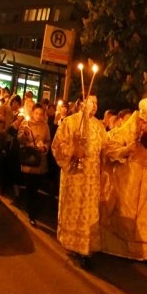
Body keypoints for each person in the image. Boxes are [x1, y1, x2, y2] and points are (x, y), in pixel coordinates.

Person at [101, 97, 147, 261]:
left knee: (143, 217)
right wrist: (127, 150)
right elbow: (109, 149)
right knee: (124, 214)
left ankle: (141, 252)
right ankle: (119, 250)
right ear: (141, 120)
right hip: (127, 180)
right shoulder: (127, 131)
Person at [51, 96, 106, 268]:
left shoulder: (99, 125)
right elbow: (57, 145)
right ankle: (74, 245)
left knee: (90, 213)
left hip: (92, 179)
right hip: (75, 176)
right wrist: (74, 151)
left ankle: (86, 248)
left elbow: (107, 147)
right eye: (91, 102)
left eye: (96, 102)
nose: (95, 105)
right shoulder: (70, 122)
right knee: (75, 210)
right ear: (82, 103)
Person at [17, 104, 51, 227]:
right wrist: (25, 134)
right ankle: (31, 214)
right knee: (30, 189)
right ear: (32, 113)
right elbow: (19, 139)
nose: (38, 116)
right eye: (36, 113)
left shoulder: (45, 125)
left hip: (40, 162)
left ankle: (33, 210)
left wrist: (44, 147)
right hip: (29, 162)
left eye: (41, 114)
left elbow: (48, 140)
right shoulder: (26, 123)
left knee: (36, 189)